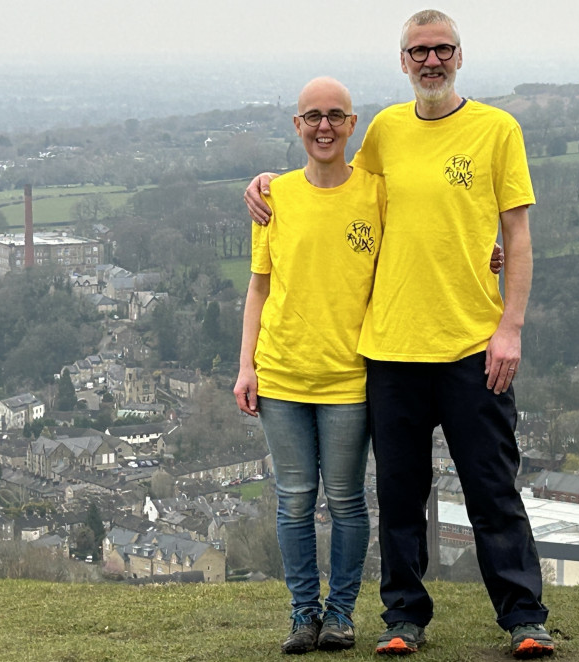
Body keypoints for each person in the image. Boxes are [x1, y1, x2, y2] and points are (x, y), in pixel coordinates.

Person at [245, 10, 553, 659]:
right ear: (404, 60)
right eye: (419, 51)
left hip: (473, 344)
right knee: (400, 497)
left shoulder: (498, 130)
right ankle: (402, 619)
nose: (430, 60)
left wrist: (510, 327)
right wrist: (266, 185)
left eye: (441, 49)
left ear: (460, 56)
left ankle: (525, 618)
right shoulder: (383, 130)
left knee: (492, 489)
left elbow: (517, 235)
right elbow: (336, 190)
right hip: (388, 352)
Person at [234, 76, 382, 654]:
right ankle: (303, 615)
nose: (325, 126)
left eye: (336, 115)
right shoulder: (275, 197)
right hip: (282, 377)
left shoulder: (377, 192)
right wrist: (246, 367)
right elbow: (258, 288)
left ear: (352, 124)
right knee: (293, 499)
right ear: (296, 126)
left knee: (345, 499)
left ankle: (340, 614)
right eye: (313, 116)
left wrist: (486, 250)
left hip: (350, 377)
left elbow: (426, 240)